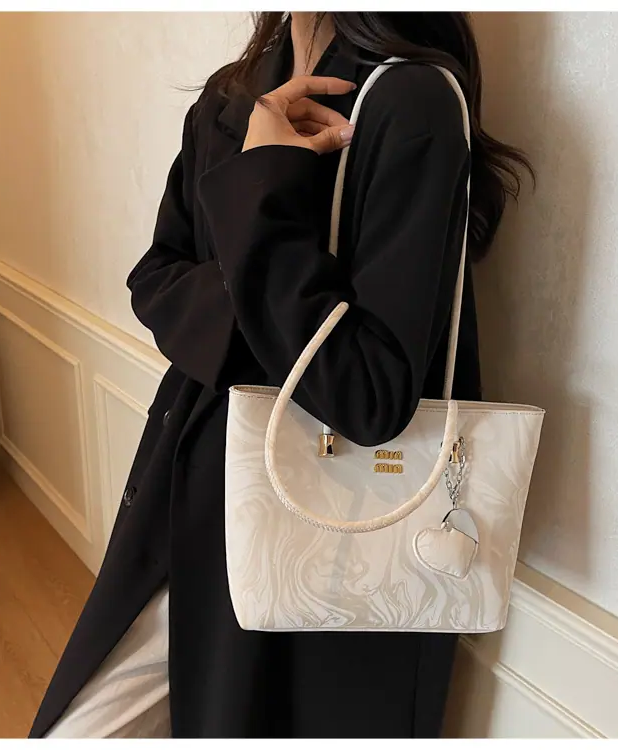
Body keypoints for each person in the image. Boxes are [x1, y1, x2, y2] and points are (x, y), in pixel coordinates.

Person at [30, 11, 531, 739]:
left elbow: (369, 391)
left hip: (326, 519)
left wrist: (264, 188)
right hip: (191, 488)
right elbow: (156, 277)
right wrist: (255, 298)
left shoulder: (409, 100)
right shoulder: (230, 98)